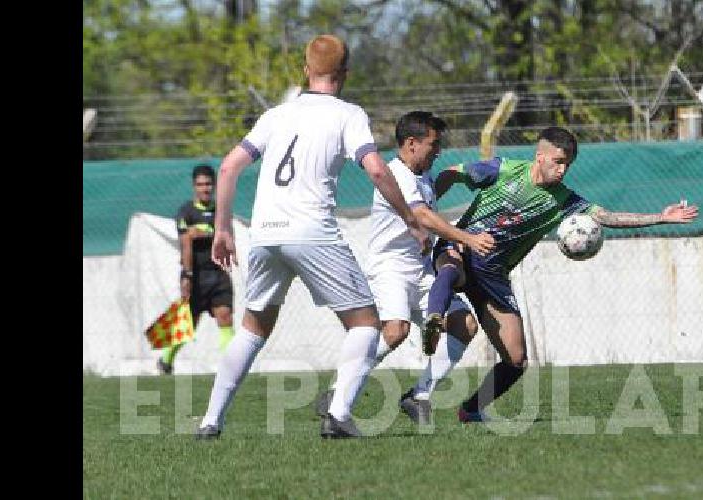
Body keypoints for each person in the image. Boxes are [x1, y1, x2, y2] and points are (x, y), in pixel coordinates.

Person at [193, 34, 473, 440]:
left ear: (306, 70)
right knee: (366, 323)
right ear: (344, 74)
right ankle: (339, 413)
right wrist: (410, 219)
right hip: (311, 230)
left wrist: (222, 229)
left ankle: (210, 421)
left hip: (265, 231)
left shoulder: (275, 115)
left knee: (252, 329)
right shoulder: (347, 114)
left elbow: (229, 167)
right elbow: (377, 169)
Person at [421, 126, 700, 423]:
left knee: (516, 361)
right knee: (451, 266)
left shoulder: (563, 200)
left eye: (567, 164)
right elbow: (452, 172)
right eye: (557, 161)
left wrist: (660, 217)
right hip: (464, 245)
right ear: (539, 157)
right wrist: (424, 210)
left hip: (494, 274)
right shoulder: (503, 169)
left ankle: (471, 410)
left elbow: (606, 217)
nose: (562, 169)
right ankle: (434, 318)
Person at [309, 111, 494, 426]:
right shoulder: (396, 174)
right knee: (396, 331)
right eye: (434, 144)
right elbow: (422, 217)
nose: (438, 150)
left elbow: (434, 191)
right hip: (390, 268)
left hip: (422, 271)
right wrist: (469, 239)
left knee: (464, 325)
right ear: (411, 143)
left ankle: (418, 395)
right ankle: (339, 392)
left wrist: (465, 174)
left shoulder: (421, 176)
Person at [156, 165, 236, 375]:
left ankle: (232, 368)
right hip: (196, 277)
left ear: (214, 185)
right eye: (200, 184)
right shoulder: (186, 212)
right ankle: (165, 360)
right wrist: (187, 276)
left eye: (208, 184)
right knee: (189, 324)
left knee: (225, 316)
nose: (205, 188)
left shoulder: (221, 211)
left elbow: (228, 236)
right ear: (194, 187)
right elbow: (186, 244)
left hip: (218, 274)